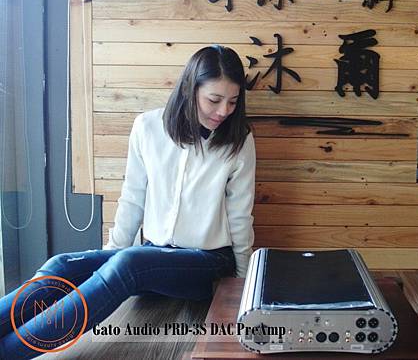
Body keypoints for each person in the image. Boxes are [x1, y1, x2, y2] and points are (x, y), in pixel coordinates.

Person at [0, 45, 256, 359]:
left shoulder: (239, 141)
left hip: (207, 261)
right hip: (153, 253)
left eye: (233, 101)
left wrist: (241, 285)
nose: (224, 111)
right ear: (190, 90)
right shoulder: (147, 127)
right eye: (214, 100)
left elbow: (240, 215)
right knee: (61, 265)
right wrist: (109, 257)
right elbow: (133, 197)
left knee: (129, 264)